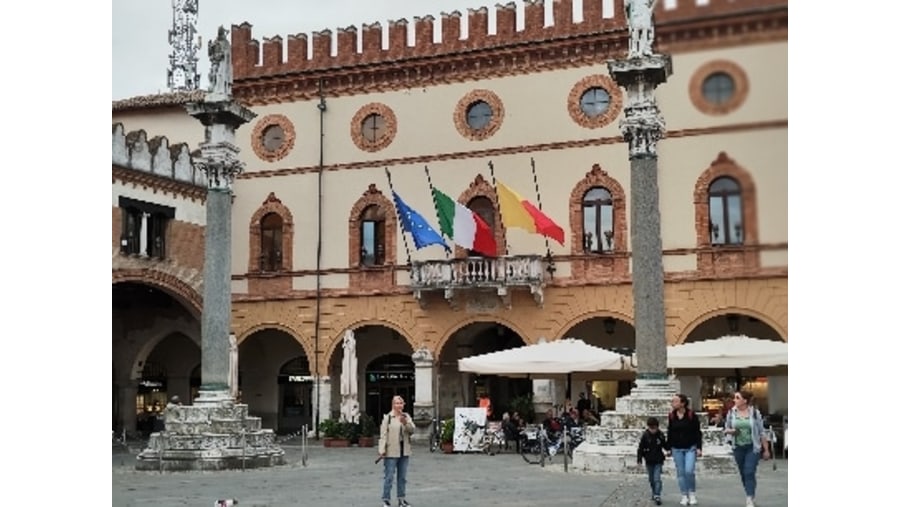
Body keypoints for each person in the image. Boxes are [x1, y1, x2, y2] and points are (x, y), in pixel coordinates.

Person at [723, 390, 770, 507]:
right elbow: (726, 429)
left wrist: (766, 449)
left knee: (749, 471)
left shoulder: (754, 413)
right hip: (738, 447)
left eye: (737, 398)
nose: (734, 400)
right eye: (735, 398)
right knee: (743, 473)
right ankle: (750, 493)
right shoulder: (731, 413)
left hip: (752, 447)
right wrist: (730, 431)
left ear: (745, 401)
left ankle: (749, 497)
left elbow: (761, 432)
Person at [378, 395, 415, 507]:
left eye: (401, 403)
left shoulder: (406, 417)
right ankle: (386, 499)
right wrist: (382, 450)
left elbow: (412, 430)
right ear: (393, 405)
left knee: (402, 477)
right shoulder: (388, 417)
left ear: (403, 405)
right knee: (389, 476)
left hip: (404, 451)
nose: (399, 405)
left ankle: (401, 499)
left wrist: (405, 423)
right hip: (391, 451)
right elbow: (383, 435)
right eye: (397, 403)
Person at [667, 393, 703, 506]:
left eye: (675, 401)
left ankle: (691, 493)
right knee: (681, 473)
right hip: (677, 448)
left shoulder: (692, 415)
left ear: (682, 403)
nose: (673, 403)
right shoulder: (672, 416)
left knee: (689, 471)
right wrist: (668, 448)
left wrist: (699, 447)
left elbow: (698, 432)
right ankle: (684, 494)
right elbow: (670, 432)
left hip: (690, 447)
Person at [637, 417, 668, 506]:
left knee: (657, 478)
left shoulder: (660, 435)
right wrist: (639, 460)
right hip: (649, 460)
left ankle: (657, 494)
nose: (653, 431)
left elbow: (665, 445)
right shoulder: (645, 436)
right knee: (651, 479)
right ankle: (654, 492)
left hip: (658, 460)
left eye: (654, 428)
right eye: (651, 428)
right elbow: (640, 449)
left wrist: (669, 450)